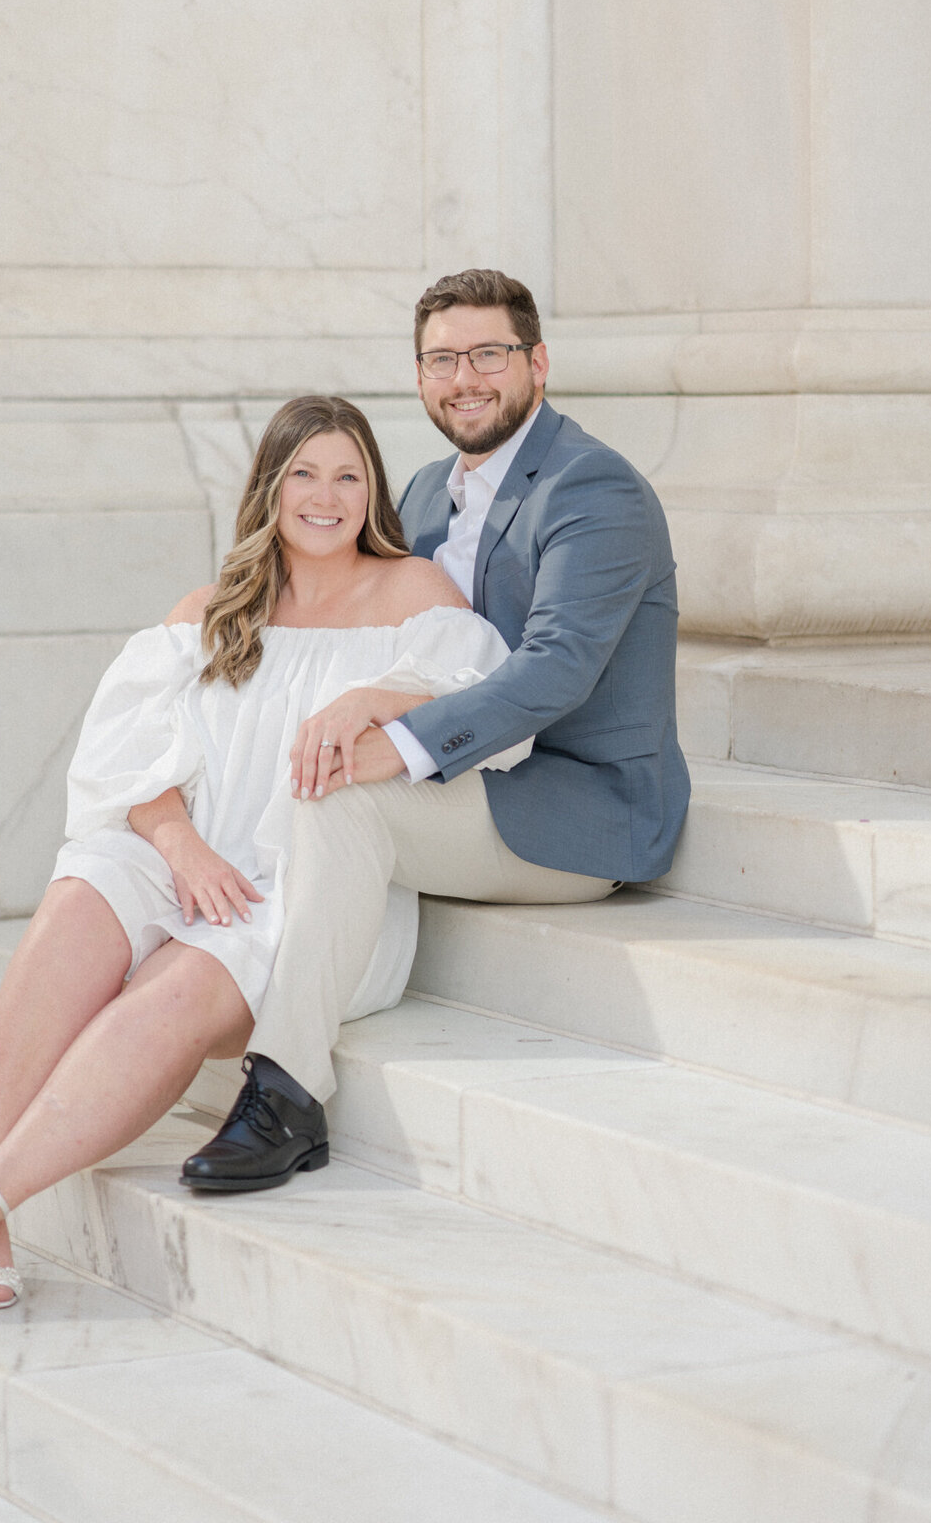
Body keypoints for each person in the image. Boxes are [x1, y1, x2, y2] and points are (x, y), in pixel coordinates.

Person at [0, 394, 531, 1321]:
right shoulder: (215, 610)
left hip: (306, 891)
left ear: (373, 491)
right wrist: (179, 845)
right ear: (270, 487)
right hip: (192, 852)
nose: (327, 495)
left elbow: (489, 716)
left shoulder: (416, 596)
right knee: (85, 886)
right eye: (304, 472)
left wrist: (372, 698)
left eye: (349, 475)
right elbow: (120, 760)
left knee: (185, 979)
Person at [183, 268, 689, 1190]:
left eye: (489, 354)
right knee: (262, 749)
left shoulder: (593, 490)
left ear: (538, 363)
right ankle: (116, 1031)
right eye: (442, 359)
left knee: (340, 796)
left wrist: (396, 731)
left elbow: (556, 670)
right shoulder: (420, 493)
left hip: (574, 807)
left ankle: (287, 1087)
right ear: (419, 377)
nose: (466, 379)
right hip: (473, 782)